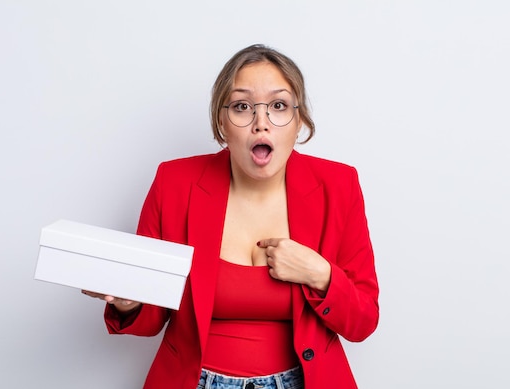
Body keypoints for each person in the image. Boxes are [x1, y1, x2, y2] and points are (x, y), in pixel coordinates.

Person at [83, 44, 379, 389]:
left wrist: (320, 274)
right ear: (221, 122)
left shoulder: (338, 186)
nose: (261, 123)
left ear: (299, 122)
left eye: (279, 106)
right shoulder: (174, 183)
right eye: (242, 107)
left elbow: (363, 321)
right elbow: (151, 320)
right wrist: (129, 302)